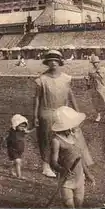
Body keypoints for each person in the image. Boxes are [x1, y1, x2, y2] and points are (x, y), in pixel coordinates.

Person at [34, 50, 78, 178]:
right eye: (50, 61)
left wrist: (76, 111)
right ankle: (46, 166)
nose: (53, 63)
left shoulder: (66, 78)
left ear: (59, 62)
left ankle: (62, 166)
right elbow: (37, 98)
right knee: (46, 139)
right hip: (46, 112)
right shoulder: (41, 80)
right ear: (47, 63)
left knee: (64, 139)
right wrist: (35, 116)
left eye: (55, 60)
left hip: (63, 112)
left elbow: (71, 95)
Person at [50, 106, 96, 209]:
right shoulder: (56, 141)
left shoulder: (74, 137)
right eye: (74, 125)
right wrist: (62, 170)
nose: (76, 127)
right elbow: (52, 162)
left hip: (79, 179)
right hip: (66, 181)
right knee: (69, 207)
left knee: (79, 206)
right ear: (67, 126)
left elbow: (80, 159)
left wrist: (88, 174)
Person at [0, 114, 35, 178]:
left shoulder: (23, 131)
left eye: (24, 126)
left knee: (13, 162)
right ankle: (19, 176)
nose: (22, 128)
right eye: (21, 126)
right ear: (16, 125)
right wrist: (0, 144)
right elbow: (4, 138)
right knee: (18, 162)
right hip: (12, 149)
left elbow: (29, 131)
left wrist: (35, 128)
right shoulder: (11, 132)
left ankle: (11, 171)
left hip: (20, 149)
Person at [86, 57, 105, 123]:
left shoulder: (103, 69)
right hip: (95, 88)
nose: (95, 64)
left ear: (99, 62)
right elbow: (89, 79)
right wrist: (88, 83)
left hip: (104, 88)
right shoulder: (91, 71)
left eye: (96, 62)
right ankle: (99, 116)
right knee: (97, 103)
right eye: (94, 63)